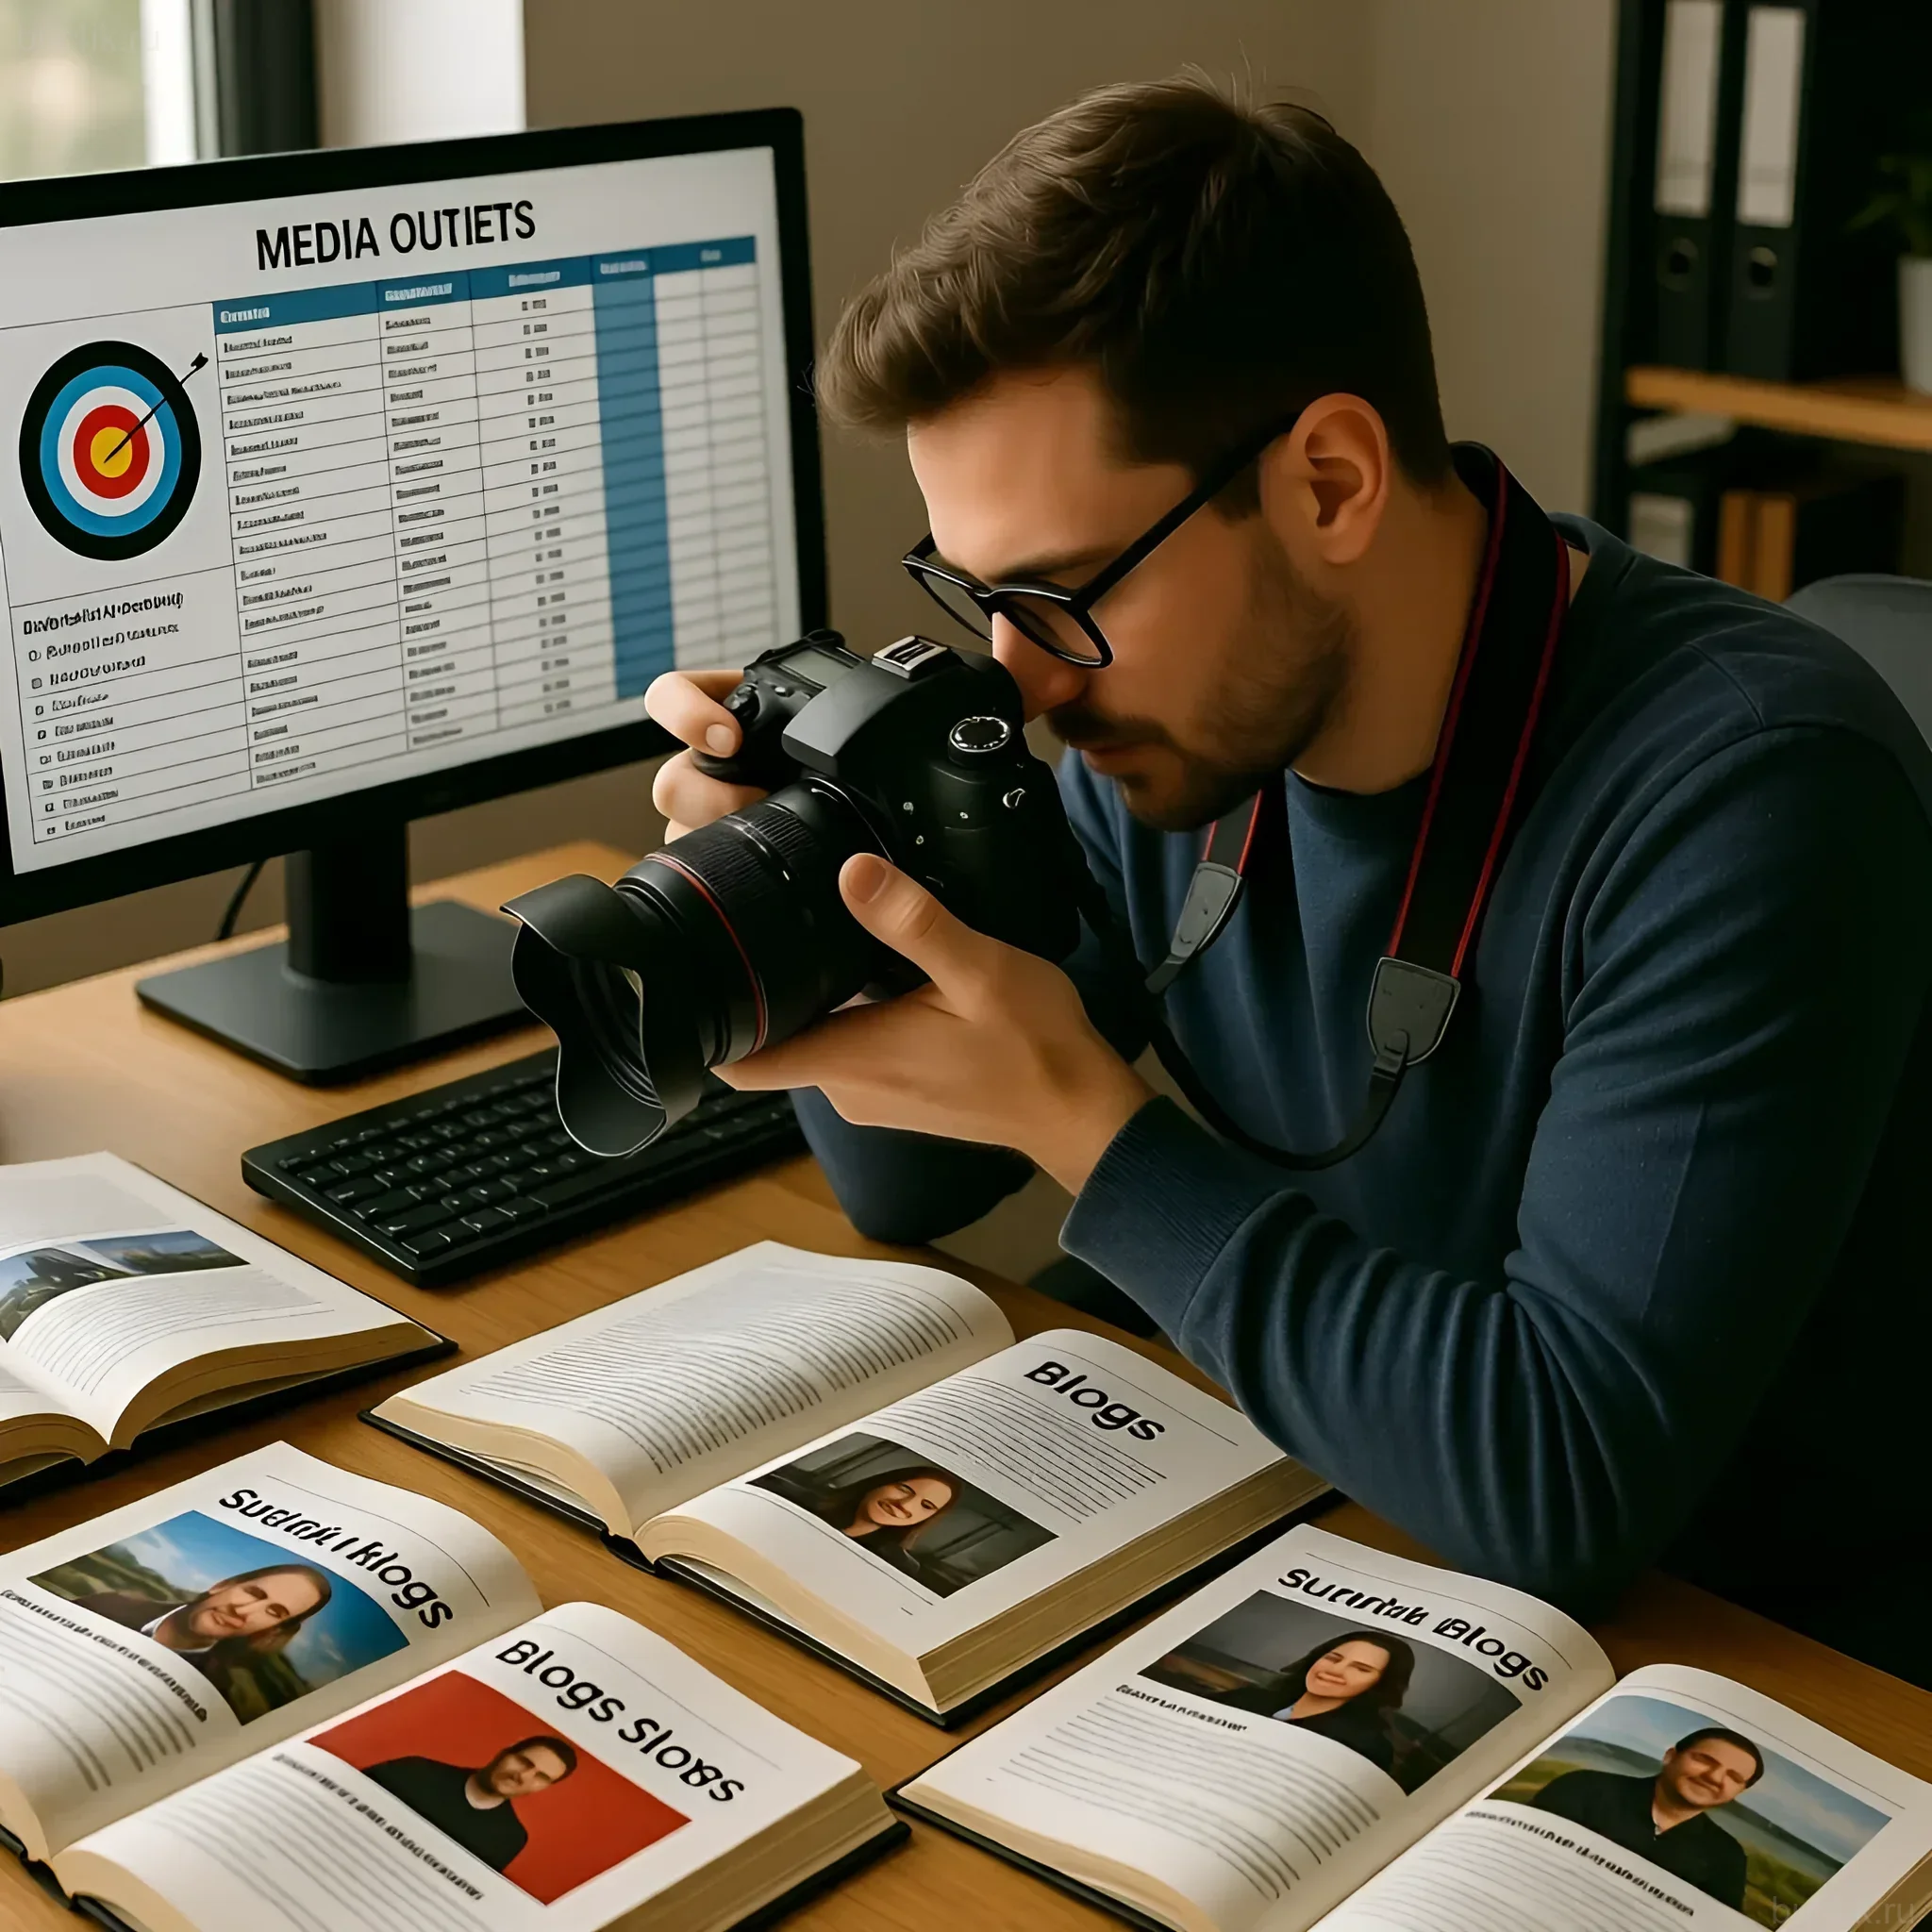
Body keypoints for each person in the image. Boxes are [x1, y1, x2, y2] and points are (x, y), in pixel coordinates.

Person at [646, 76, 1932, 1683]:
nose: (1020, 681)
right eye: (970, 594)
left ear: (1328, 481)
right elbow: (910, 1184)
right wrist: (822, 865)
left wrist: (1084, 1123)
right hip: (1346, 1511)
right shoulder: (1179, 729)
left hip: (1751, 1652)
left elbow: (1563, 1475)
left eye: (1053, 593)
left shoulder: (1747, 791)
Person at [1530, 1726, 1759, 1910]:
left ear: (1738, 1792)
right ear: (1670, 1757)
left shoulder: (1728, 1855)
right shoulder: (1584, 1787)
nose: (1714, 1777)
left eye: (1734, 1776)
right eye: (1705, 1760)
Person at [362, 1737, 577, 1874]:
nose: (522, 1776)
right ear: (503, 1754)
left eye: (540, 1777)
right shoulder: (416, 1770)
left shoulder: (510, 1838)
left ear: (544, 1788)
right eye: (524, 1762)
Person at [1223, 1631, 1413, 1775]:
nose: (1336, 1670)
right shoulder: (1246, 1697)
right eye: (1332, 1658)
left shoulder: (1366, 1746)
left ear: (1381, 1683)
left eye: (1361, 1669)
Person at [73, 1563, 333, 1668]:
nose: (242, 1611)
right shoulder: (105, 1605)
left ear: (272, 1630)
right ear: (223, 1585)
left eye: (274, 1612)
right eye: (253, 1593)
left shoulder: (215, 1689)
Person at [769, 1464, 960, 1582]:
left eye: (926, 1506)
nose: (904, 1505)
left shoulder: (896, 1566)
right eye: (904, 1489)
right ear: (881, 1482)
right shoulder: (786, 1497)